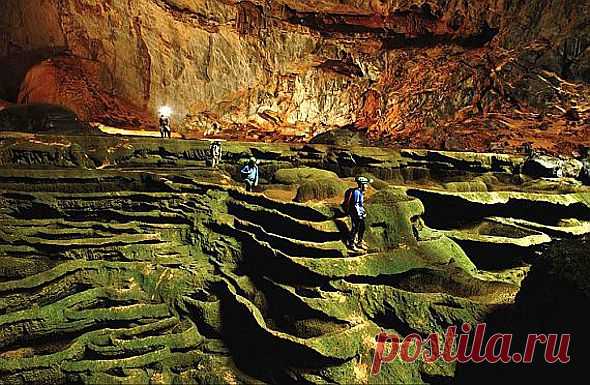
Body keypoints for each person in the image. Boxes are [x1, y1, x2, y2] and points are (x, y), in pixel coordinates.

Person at [343, 176, 372, 252]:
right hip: (355, 214)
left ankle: (359, 242)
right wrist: (359, 214)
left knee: (362, 227)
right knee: (355, 228)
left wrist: (363, 212)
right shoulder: (356, 192)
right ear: (362, 184)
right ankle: (351, 244)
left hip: (359, 214)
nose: (367, 186)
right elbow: (356, 205)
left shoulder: (360, 192)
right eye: (366, 184)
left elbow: (360, 205)